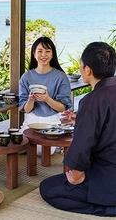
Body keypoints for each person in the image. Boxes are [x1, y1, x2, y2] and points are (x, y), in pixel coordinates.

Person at [40, 41, 116, 216]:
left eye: (81, 66)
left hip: (106, 175)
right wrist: (82, 118)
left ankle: (107, 208)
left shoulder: (92, 100)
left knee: (48, 188)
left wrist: (76, 174)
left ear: (87, 70)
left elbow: (84, 142)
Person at [19, 36, 72, 155]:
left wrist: (47, 99)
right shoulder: (26, 77)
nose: (44, 55)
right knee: (19, 145)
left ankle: (55, 146)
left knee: (42, 151)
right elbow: (26, 109)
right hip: (31, 119)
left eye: (48, 51)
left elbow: (62, 107)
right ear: (34, 53)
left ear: (53, 54)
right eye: (40, 51)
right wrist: (31, 100)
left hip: (51, 120)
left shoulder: (61, 77)